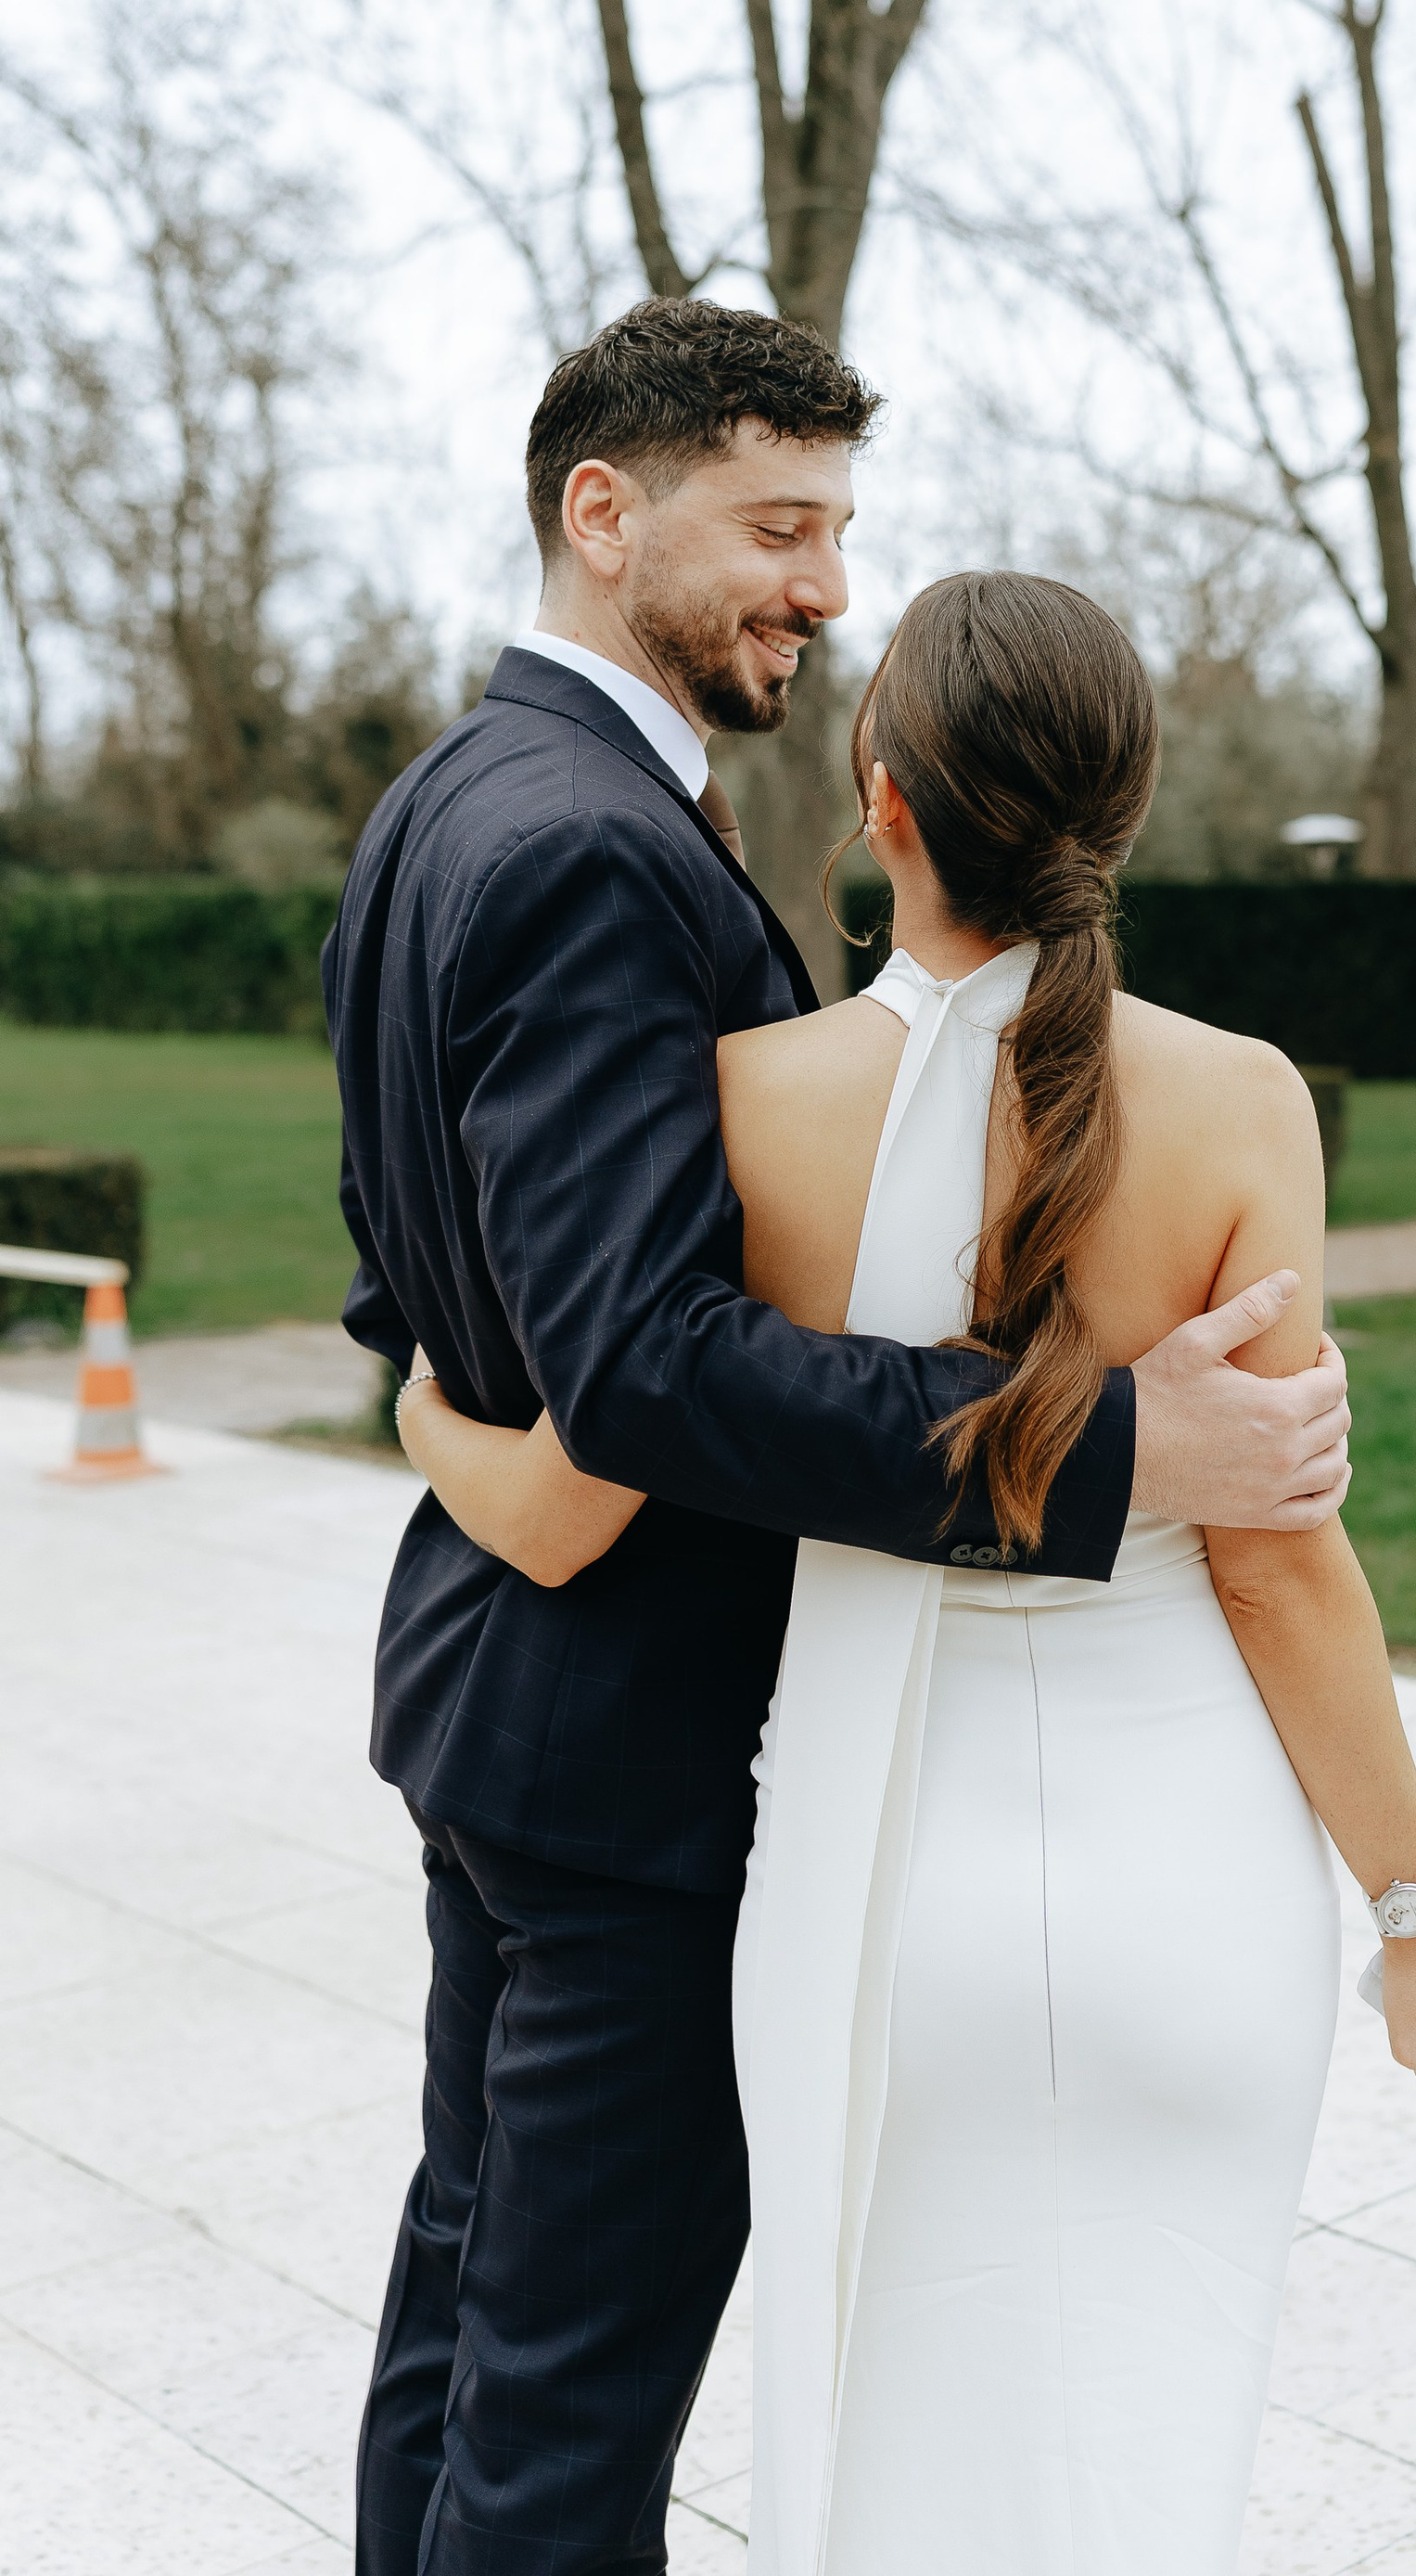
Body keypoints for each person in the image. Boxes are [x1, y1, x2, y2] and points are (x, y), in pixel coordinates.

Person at [329, 301, 1361, 2576]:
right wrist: (1101, 1451)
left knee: (471, 2323)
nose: (817, 581)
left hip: (495, 1697)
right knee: (567, 2405)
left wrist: (450, 1433)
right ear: (601, 514)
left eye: (837, 535)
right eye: (777, 525)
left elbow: (425, 1280)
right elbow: (643, 1356)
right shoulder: (592, 845)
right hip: (624, 1751)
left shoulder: (441, 806)